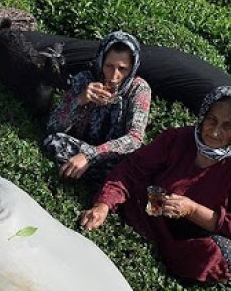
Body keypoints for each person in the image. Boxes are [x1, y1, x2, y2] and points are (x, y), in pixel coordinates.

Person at [80, 86, 231, 283]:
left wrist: (192, 210)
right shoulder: (178, 139)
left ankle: (172, 253)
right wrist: (102, 205)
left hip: (201, 233)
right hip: (158, 213)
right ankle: (155, 234)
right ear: (203, 115)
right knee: (127, 185)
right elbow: (132, 169)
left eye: (227, 126)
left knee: (210, 254)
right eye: (211, 120)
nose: (214, 132)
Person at [43, 31, 151, 182]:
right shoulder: (85, 80)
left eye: (122, 69)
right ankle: (97, 179)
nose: (114, 76)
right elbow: (53, 126)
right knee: (53, 142)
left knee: (130, 169)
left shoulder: (139, 89)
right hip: (81, 145)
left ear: (132, 68)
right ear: (101, 61)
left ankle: (83, 173)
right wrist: (80, 100)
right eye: (109, 66)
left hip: (111, 156)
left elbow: (134, 138)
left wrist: (90, 155)